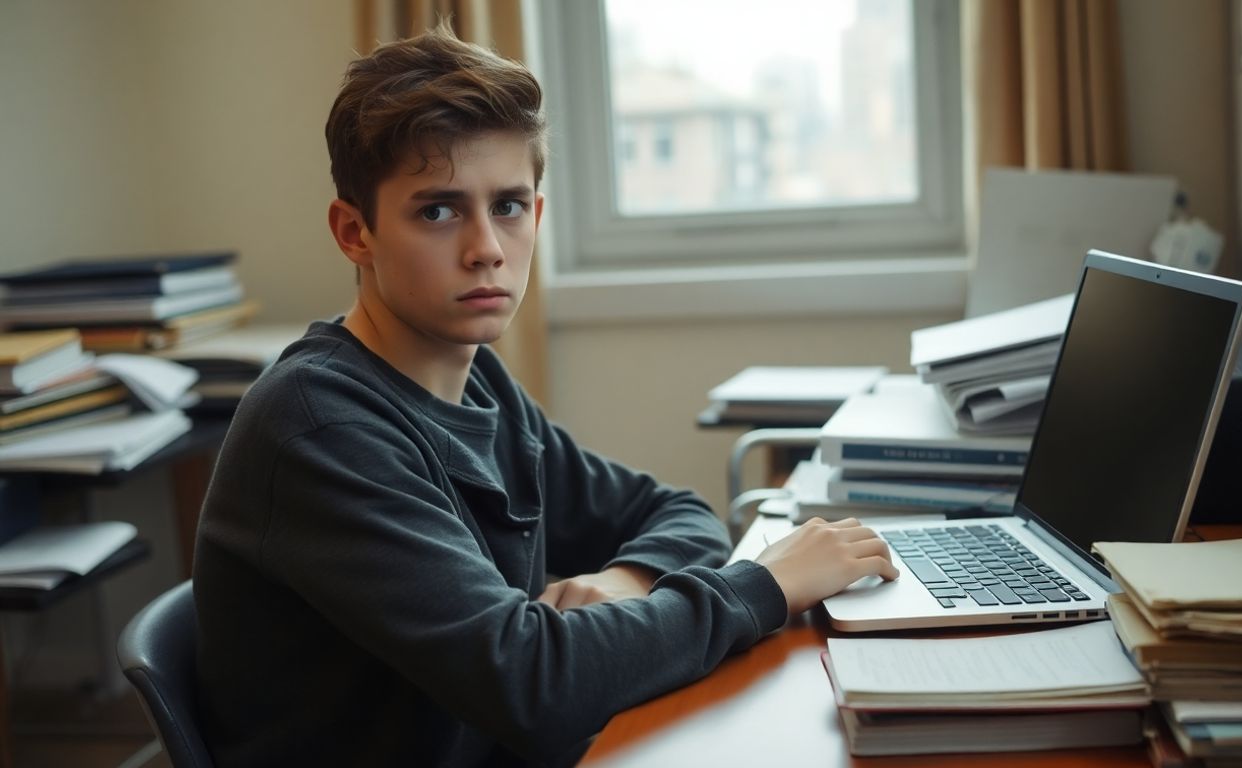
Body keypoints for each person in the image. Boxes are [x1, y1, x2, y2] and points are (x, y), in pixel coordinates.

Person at [191, 20, 897, 767]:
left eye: (509, 205)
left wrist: (626, 578)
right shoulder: (320, 427)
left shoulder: (474, 375)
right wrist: (767, 585)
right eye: (437, 210)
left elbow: (673, 511)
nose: (487, 248)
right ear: (354, 232)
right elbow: (533, 681)